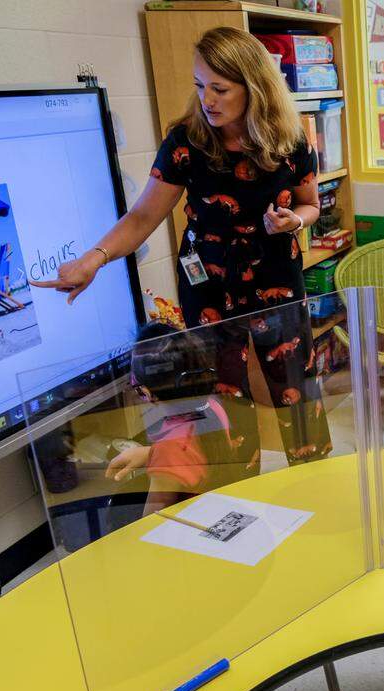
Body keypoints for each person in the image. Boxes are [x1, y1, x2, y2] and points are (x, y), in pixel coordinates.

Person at [33, 26, 330, 470]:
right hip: (208, 285)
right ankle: (236, 488)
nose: (207, 99)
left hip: (275, 278)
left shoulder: (290, 142)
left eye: (220, 88)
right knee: (221, 397)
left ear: (255, 87)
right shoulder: (186, 142)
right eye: (199, 86)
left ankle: (318, 479)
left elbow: (309, 206)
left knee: (296, 386)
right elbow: (142, 217)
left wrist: (294, 222)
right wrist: (94, 260)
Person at [106, 321, 251, 516]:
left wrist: (161, 457)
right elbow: (195, 454)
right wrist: (151, 454)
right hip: (218, 512)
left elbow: (151, 521)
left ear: (147, 392)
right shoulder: (212, 405)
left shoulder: (171, 447)